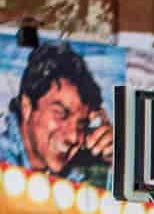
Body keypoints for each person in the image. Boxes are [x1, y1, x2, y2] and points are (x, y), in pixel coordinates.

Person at [0, 42, 113, 184]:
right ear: (27, 107)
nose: (73, 137)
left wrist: (115, 160)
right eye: (61, 114)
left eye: (81, 125)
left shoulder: (72, 174)